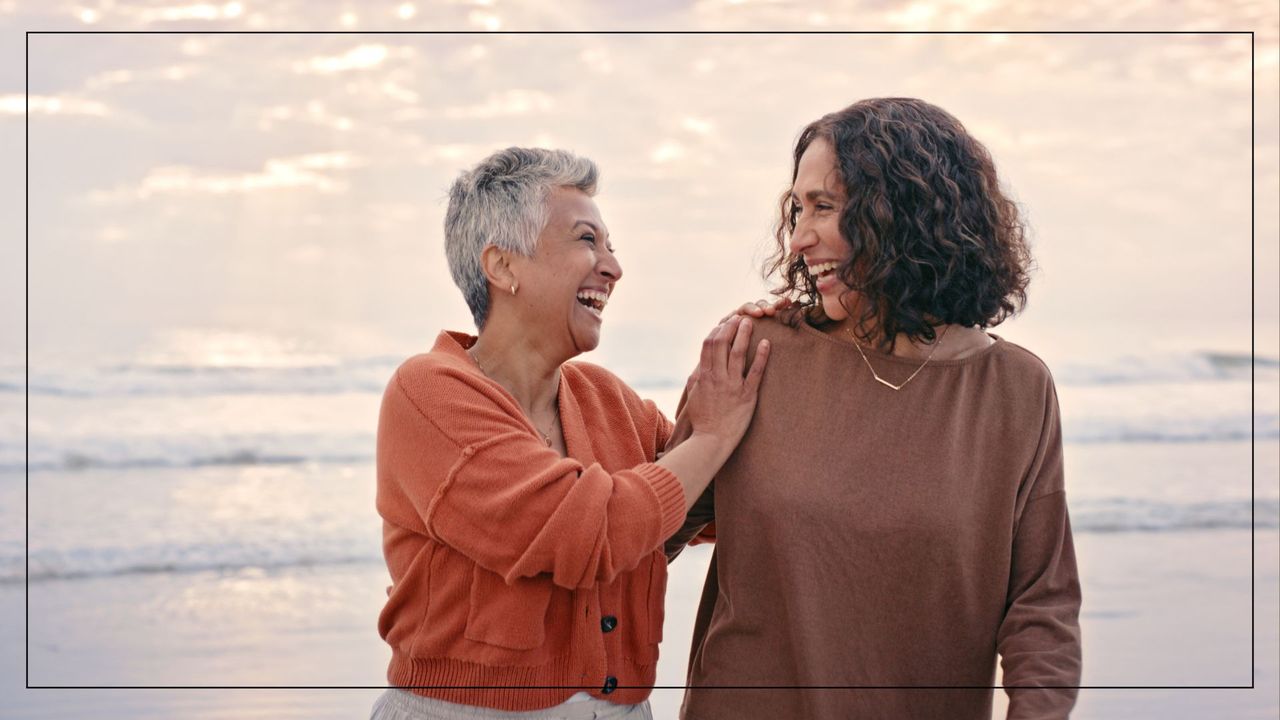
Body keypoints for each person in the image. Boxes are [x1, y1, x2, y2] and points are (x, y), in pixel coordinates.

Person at [665, 98, 1082, 719]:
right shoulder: (757, 353)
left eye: (825, 208)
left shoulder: (1014, 389)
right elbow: (652, 534)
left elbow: (1041, 606)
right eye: (798, 208)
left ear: (906, 216)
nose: (800, 238)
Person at [372, 147, 769, 720]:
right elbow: (587, 533)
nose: (612, 267)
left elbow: (710, 498)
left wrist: (769, 346)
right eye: (587, 240)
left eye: (611, 247)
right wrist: (709, 437)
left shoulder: (604, 397)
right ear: (503, 266)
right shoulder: (429, 392)